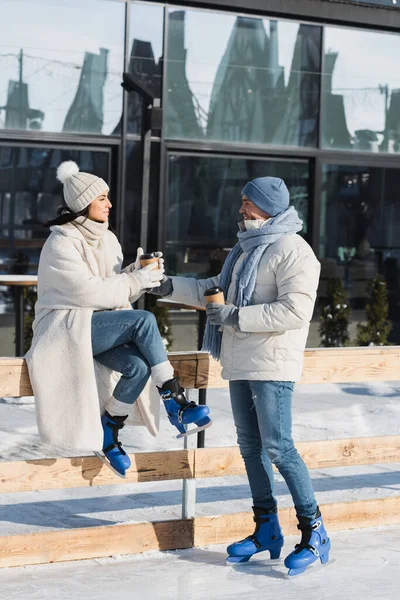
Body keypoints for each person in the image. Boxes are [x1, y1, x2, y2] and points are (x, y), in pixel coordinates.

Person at [151, 176, 330, 576]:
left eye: (248, 203)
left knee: (279, 447)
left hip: (272, 364)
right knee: (250, 447)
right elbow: (212, 291)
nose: (242, 209)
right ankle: (266, 528)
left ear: (269, 206)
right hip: (240, 361)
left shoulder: (294, 252)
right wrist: (163, 286)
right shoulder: (245, 250)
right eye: (242, 202)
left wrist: (235, 317)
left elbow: (294, 311)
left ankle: (314, 531)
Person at [26, 161, 211, 478]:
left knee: (137, 367)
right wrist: (136, 280)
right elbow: (88, 292)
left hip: (98, 328)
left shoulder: (108, 239)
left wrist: (137, 272)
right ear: (85, 203)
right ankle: (175, 401)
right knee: (143, 321)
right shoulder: (61, 243)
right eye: (102, 198)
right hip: (64, 329)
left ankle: (110, 434)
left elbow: (110, 286)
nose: (110, 204)